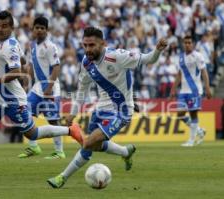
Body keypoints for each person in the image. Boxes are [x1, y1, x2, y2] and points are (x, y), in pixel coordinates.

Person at [0, 11, 83, 177]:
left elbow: (16, 71)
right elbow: (23, 62)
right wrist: (22, 76)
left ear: (12, 28)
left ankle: (70, 130)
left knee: (31, 133)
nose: (0, 29)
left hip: (12, 99)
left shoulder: (9, 46)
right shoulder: (9, 44)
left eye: (5, 26)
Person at [47, 27, 168, 188]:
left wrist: (157, 50)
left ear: (102, 43)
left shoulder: (117, 56)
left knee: (88, 143)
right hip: (100, 109)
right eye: (85, 45)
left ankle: (62, 178)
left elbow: (148, 59)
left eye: (92, 45)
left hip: (121, 111)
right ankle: (125, 152)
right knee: (91, 146)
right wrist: (73, 114)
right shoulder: (86, 63)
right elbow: (82, 90)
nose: (88, 49)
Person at [18, 16, 66, 159]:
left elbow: (57, 67)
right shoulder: (32, 46)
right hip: (37, 87)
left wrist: (49, 87)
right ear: (33, 29)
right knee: (25, 113)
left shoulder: (50, 46)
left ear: (47, 30)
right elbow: (32, 65)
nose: (39, 30)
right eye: (37, 28)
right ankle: (33, 147)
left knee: (52, 120)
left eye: (42, 28)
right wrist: (27, 82)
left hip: (50, 87)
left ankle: (59, 151)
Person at [170, 35, 212, 147]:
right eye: (185, 43)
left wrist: (207, 87)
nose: (187, 44)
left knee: (193, 114)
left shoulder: (198, 56)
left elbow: (204, 72)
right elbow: (179, 74)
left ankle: (191, 140)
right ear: (183, 44)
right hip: (183, 91)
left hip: (194, 90)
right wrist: (173, 89)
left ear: (192, 44)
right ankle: (199, 131)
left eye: (189, 42)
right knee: (180, 114)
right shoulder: (181, 57)